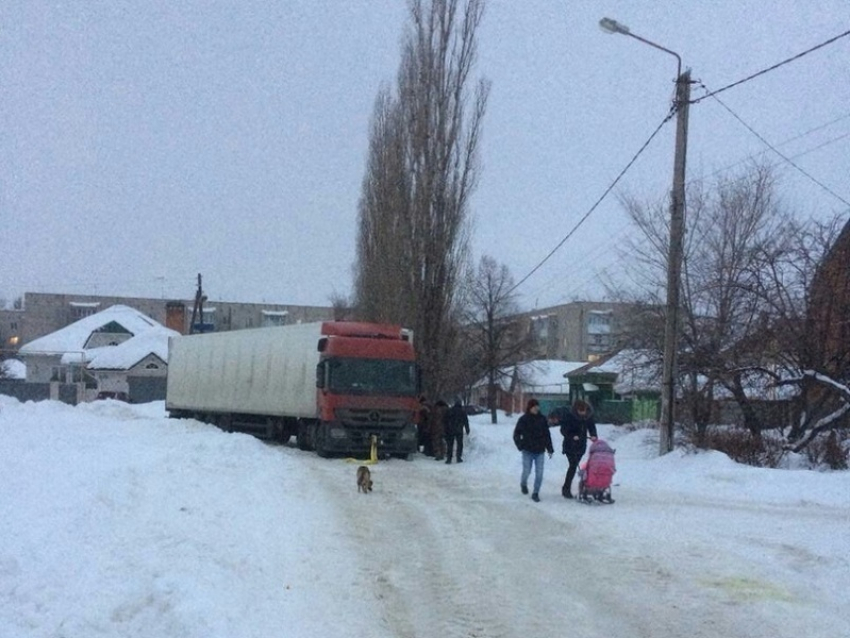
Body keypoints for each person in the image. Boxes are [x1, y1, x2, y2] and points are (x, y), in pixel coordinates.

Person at [548, 399, 598, 499]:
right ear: (576, 410)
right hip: (570, 445)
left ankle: (574, 487)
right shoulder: (569, 416)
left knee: (574, 466)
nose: (582, 413)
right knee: (573, 466)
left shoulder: (588, 416)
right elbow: (563, 430)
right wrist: (572, 436)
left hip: (581, 445)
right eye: (580, 411)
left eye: (584, 411)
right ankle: (566, 489)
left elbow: (591, 426)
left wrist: (593, 435)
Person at [512, 398, 553, 502]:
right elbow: (516, 434)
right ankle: (523, 483)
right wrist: (520, 445)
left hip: (540, 451)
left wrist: (550, 448)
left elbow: (547, 435)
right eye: (534, 407)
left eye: (537, 406)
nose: (536, 408)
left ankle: (535, 492)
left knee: (539, 473)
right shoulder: (523, 419)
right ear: (530, 408)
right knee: (527, 471)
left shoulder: (542, 419)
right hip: (527, 450)